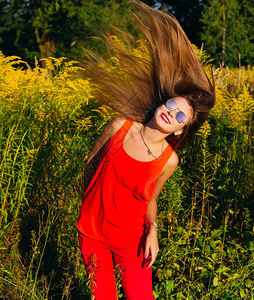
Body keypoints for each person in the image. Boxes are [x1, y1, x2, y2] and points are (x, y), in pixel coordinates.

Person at [76, 1, 215, 299]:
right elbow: (90, 165)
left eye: (180, 117)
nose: (171, 113)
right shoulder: (119, 127)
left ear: (180, 130)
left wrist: (152, 230)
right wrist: (90, 206)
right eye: (171, 105)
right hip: (93, 235)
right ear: (162, 103)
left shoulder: (169, 159)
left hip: (132, 241)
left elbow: (150, 199)